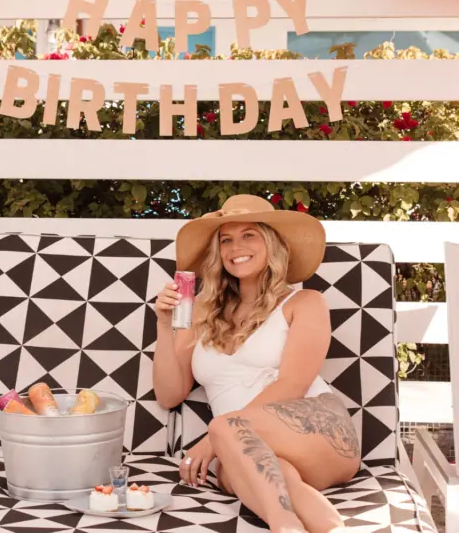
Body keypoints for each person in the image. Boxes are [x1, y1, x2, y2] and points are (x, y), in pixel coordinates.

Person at [153, 194, 361, 533]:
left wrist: (214, 438)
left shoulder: (305, 302)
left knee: (225, 429)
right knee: (262, 476)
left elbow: (293, 385)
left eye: (250, 234)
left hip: (319, 432)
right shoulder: (201, 312)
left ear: (272, 243)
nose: (237, 247)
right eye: (226, 239)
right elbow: (169, 394)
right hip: (248, 451)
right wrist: (165, 324)